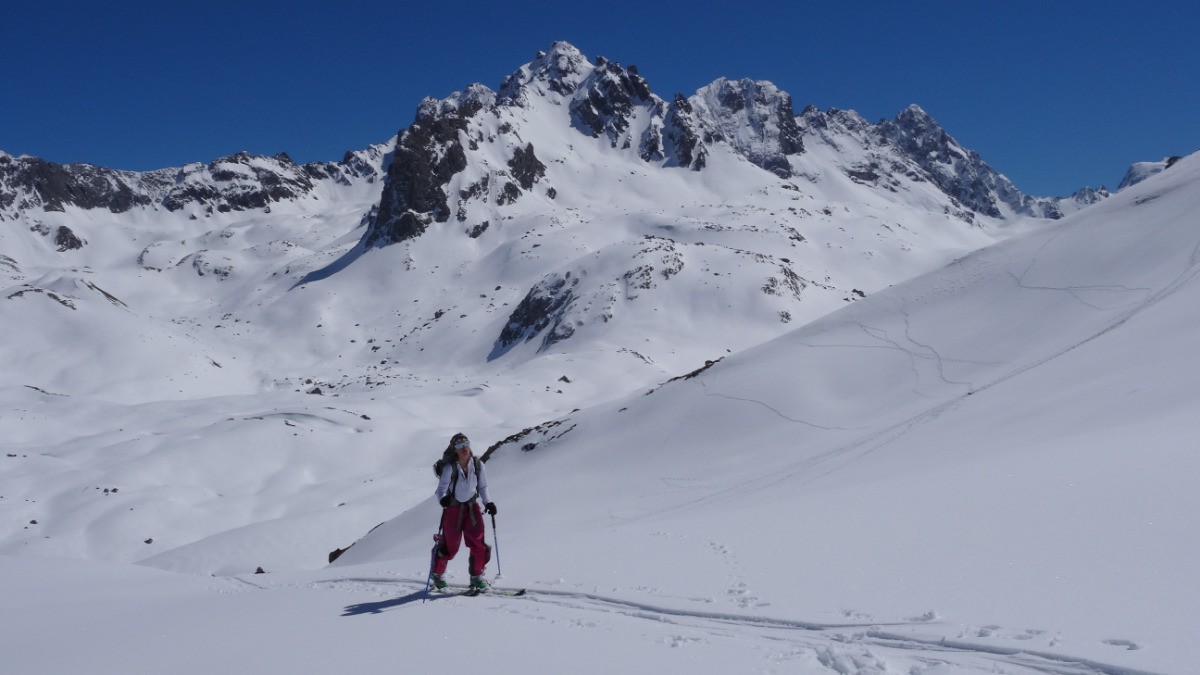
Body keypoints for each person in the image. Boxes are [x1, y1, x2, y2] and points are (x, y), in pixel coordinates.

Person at [430, 433, 497, 591]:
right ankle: (437, 574)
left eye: (466, 443)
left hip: (472, 509)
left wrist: (488, 502)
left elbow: (483, 487)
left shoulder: (478, 465)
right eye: (459, 445)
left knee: (478, 543)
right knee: (450, 548)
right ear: (455, 449)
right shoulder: (450, 468)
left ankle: (477, 576)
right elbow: (441, 489)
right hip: (453, 510)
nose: (464, 447)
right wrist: (443, 499)